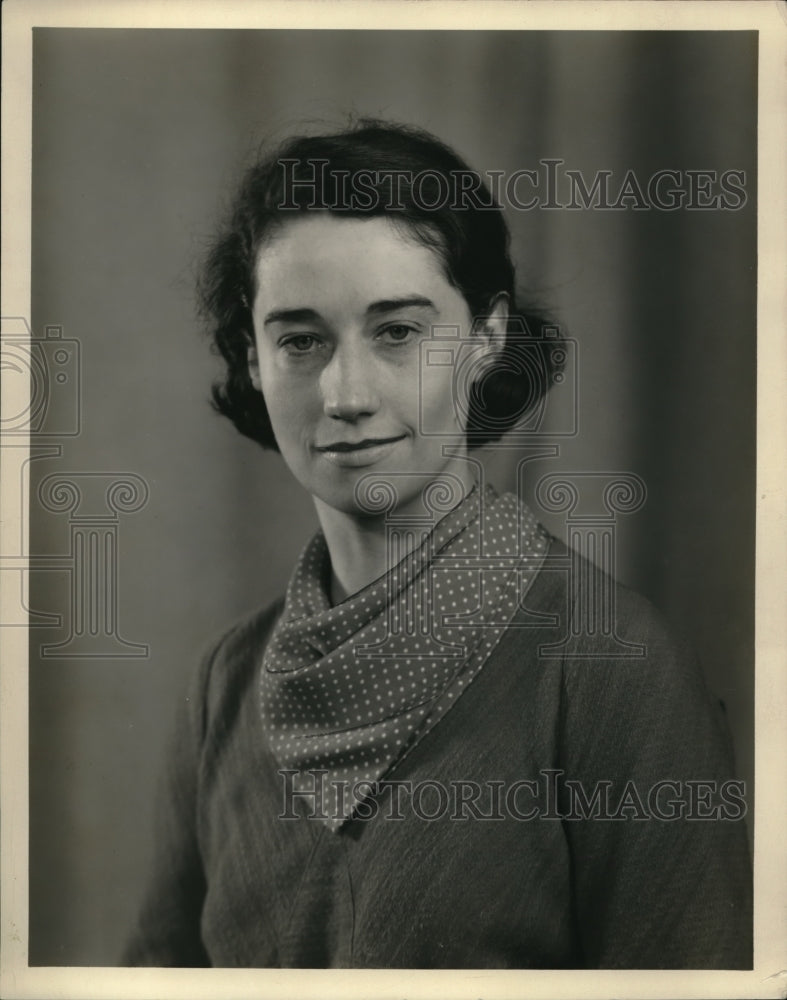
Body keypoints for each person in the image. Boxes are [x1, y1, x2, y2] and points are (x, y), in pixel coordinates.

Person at [123, 119, 752, 969]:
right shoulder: (223, 688)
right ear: (253, 359)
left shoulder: (612, 670)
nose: (345, 394)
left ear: (485, 338)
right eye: (300, 341)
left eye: (398, 332)